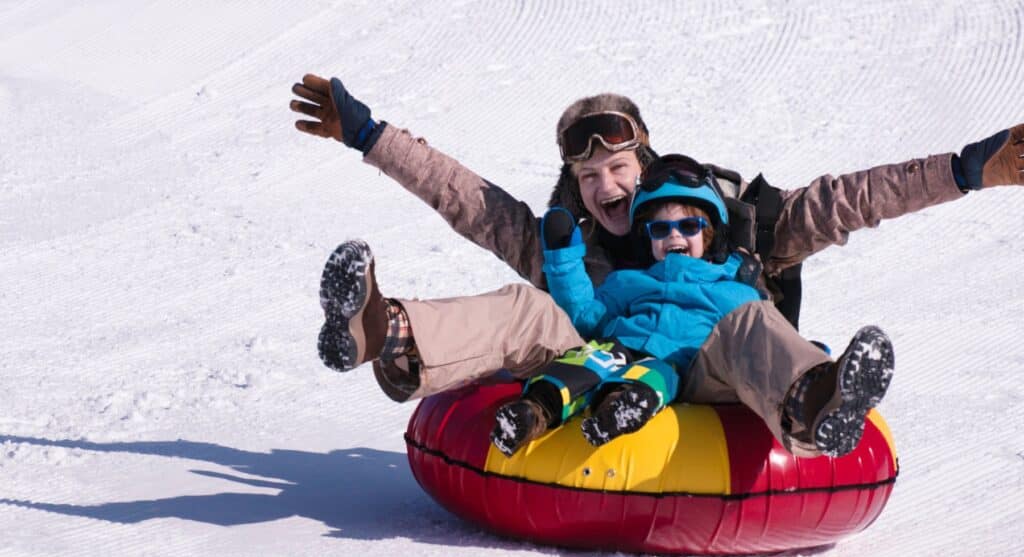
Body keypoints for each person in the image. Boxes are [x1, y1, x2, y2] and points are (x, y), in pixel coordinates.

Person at [290, 73, 1022, 404]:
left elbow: (853, 199)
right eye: (586, 177)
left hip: (716, 373)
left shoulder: (732, 223)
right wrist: (368, 135)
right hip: (599, 374)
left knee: (745, 322)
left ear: (644, 163)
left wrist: (965, 170)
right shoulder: (574, 248)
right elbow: (469, 200)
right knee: (529, 305)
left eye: (616, 167)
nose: (604, 187)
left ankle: (815, 399)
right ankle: (387, 332)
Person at [489, 156, 894, 458]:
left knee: (751, 318)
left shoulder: (734, 287)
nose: (674, 236)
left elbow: (765, 339)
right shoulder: (630, 282)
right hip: (635, 366)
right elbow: (585, 316)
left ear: (710, 232)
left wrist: (812, 354)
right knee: (599, 355)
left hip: (703, 370)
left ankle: (817, 395)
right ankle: (551, 412)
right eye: (660, 229)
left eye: (688, 226)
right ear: (647, 238)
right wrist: (563, 259)